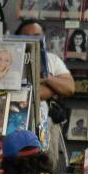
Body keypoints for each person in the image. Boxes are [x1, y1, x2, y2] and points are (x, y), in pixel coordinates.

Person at [17, 21, 75, 166]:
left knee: (47, 166)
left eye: (37, 36)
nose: (32, 40)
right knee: (17, 164)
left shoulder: (52, 60)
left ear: (43, 37)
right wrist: (52, 88)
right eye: (27, 36)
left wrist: (46, 77)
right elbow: (34, 94)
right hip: (16, 123)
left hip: (46, 125)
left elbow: (69, 88)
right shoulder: (11, 58)